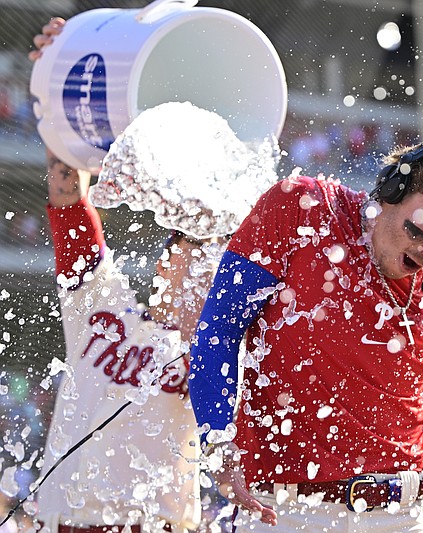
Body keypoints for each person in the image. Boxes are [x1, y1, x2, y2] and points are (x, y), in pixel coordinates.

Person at [189, 132, 423, 531]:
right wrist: (219, 444)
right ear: (395, 187)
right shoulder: (301, 207)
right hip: (285, 512)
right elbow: (218, 332)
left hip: (402, 516)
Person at [29, 18, 228, 531]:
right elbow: (68, 195)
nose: (204, 272)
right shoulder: (100, 301)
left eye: (215, 261)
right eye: (193, 254)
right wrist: (59, 74)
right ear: (165, 264)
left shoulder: (223, 350)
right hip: (65, 522)